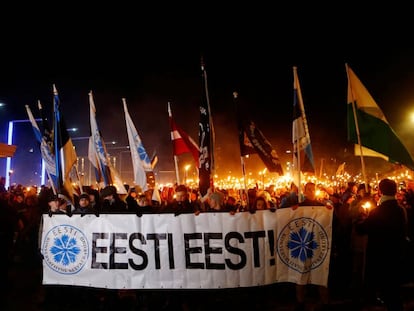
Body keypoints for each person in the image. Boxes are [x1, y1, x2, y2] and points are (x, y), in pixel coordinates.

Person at [355, 178, 406, 311]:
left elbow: (362, 229)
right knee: (393, 290)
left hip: (381, 257)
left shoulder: (377, 212)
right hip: (396, 255)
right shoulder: (400, 210)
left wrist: (362, 217)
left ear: (380, 191)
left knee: (388, 291)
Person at [293, 182, 332, 311]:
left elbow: (331, 223)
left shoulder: (322, 207)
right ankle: (300, 303)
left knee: (321, 275)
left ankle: (325, 302)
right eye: (308, 189)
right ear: (304, 191)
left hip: (318, 247)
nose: (310, 191)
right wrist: (292, 211)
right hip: (302, 246)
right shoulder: (299, 207)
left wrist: (330, 211)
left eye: (312, 189)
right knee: (301, 276)